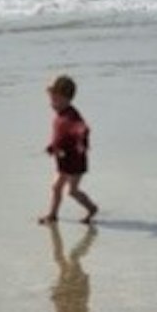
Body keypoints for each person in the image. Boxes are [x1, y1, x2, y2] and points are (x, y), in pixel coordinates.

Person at [39, 73, 98, 225]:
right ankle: (52, 215)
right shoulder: (60, 116)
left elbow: (81, 127)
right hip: (64, 160)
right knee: (56, 187)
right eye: (51, 100)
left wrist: (82, 140)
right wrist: (52, 147)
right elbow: (61, 136)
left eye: (55, 100)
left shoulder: (71, 116)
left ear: (66, 99)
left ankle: (91, 208)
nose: (52, 104)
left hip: (75, 161)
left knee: (72, 191)